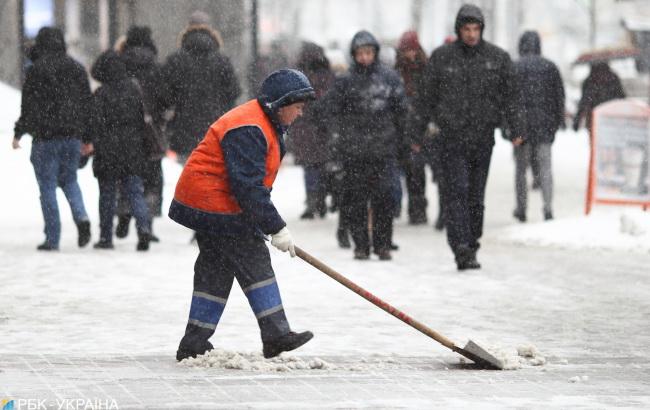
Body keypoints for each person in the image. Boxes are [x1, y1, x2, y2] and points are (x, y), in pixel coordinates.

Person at [169, 69, 316, 361]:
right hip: (212, 202)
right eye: (297, 108)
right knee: (254, 259)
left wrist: (263, 220)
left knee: (216, 270)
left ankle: (194, 341)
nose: (299, 114)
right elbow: (248, 187)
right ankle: (276, 334)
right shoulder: (250, 127)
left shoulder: (263, 123)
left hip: (210, 201)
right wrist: (275, 227)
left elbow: (252, 185)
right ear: (281, 104)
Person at [416, 4, 523, 270]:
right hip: (451, 138)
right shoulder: (443, 58)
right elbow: (425, 97)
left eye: (476, 29)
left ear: (482, 29)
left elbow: (511, 97)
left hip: (482, 138)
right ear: (458, 29)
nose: (472, 34)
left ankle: (472, 242)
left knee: (476, 195)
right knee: (457, 191)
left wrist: (516, 128)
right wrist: (416, 132)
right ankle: (461, 247)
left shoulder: (496, 58)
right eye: (467, 29)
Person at [324, 30, 408, 261]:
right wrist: (339, 142)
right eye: (360, 53)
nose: (364, 58)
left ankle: (382, 244)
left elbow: (402, 112)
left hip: (384, 149)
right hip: (354, 152)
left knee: (385, 199)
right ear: (354, 54)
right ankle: (361, 244)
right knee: (355, 201)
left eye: (368, 52)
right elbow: (332, 113)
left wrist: (403, 142)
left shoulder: (389, 79)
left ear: (375, 53)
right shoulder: (345, 82)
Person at [13, 27, 92, 251]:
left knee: (47, 186)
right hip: (72, 136)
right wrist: (87, 137)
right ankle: (82, 217)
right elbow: (87, 105)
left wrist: (19, 132)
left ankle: (52, 237)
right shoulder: (76, 68)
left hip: (45, 137)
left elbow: (27, 106)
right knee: (70, 180)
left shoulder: (36, 70)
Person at [89, 50, 152, 251]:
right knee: (134, 191)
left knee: (107, 194)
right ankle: (144, 228)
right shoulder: (135, 91)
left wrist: (93, 142)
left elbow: (95, 123)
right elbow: (143, 121)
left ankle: (106, 237)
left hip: (108, 149)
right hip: (132, 147)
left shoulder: (101, 94)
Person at [114, 26, 168, 242]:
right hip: (151, 129)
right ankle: (147, 224)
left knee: (126, 172)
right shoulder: (156, 66)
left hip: (125, 127)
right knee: (153, 176)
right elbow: (166, 96)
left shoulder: (120, 63)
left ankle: (125, 210)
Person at [162, 23, 241, 164]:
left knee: (189, 170)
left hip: (184, 127)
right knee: (212, 171)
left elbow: (165, 95)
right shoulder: (222, 61)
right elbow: (234, 92)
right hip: (215, 126)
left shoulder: (176, 60)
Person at [512, 31, 565, 222]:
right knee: (546, 169)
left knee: (520, 170)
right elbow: (559, 98)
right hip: (544, 127)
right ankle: (548, 207)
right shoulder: (550, 67)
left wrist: (508, 127)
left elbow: (508, 100)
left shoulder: (515, 67)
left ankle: (521, 208)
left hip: (521, 129)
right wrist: (557, 122)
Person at [288, 42, 335, 220]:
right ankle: (320, 200)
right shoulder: (327, 75)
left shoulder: (298, 75)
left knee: (310, 167)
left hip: (304, 126)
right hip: (322, 127)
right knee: (322, 165)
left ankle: (311, 201)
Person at [395, 30, 429, 225]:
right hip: (403, 126)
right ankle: (405, 206)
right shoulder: (398, 70)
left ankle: (418, 208)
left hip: (420, 126)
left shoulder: (425, 68)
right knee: (407, 170)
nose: (409, 54)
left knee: (417, 170)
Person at [573, 62, 625, 132]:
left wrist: (577, 120)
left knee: (596, 140)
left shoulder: (589, 81)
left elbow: (584, 102)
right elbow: (622, 98)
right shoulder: (613, 78)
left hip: (594, 119)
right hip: (612, 117)